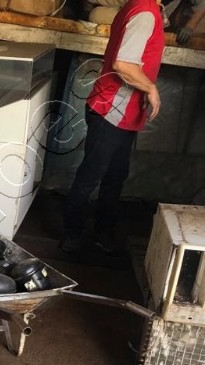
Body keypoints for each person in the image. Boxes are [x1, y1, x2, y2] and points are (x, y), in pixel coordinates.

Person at [61, 0, 165, 255]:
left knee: (115, 175)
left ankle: (103, 232)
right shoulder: (145, 12)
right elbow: (124, 64)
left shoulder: (146, 7)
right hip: (112, 110)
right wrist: (150, 88)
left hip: (123, 111)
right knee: (92, 175)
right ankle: (72, 234)